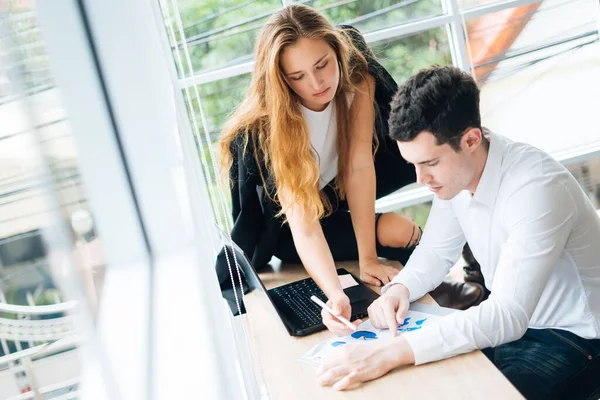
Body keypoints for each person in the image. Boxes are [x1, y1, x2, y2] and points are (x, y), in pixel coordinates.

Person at [318, 65, 600, 400]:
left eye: (430, 163)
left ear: (471, 139)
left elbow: (508, 315)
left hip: (574, 338)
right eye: (414, 165)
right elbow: (437, 250)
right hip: (513, 330)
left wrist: (387, 353)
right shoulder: (459, 175)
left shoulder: (536, 188)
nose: (421, 179)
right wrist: (400, 288)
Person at [215, 5, 482, 318]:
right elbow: (304, 226)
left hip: (335, 197)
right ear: (282, 80)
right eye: (298, 76)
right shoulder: (271, 128)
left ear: (335, 49)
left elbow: (358, 166)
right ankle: (438, 294)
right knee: (378, 234)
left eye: (322, 65)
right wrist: (335, 294)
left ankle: (448, 287)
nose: (317, 84)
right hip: (291, 228)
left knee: (401, 227)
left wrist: (368, 259)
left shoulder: (357, 78)